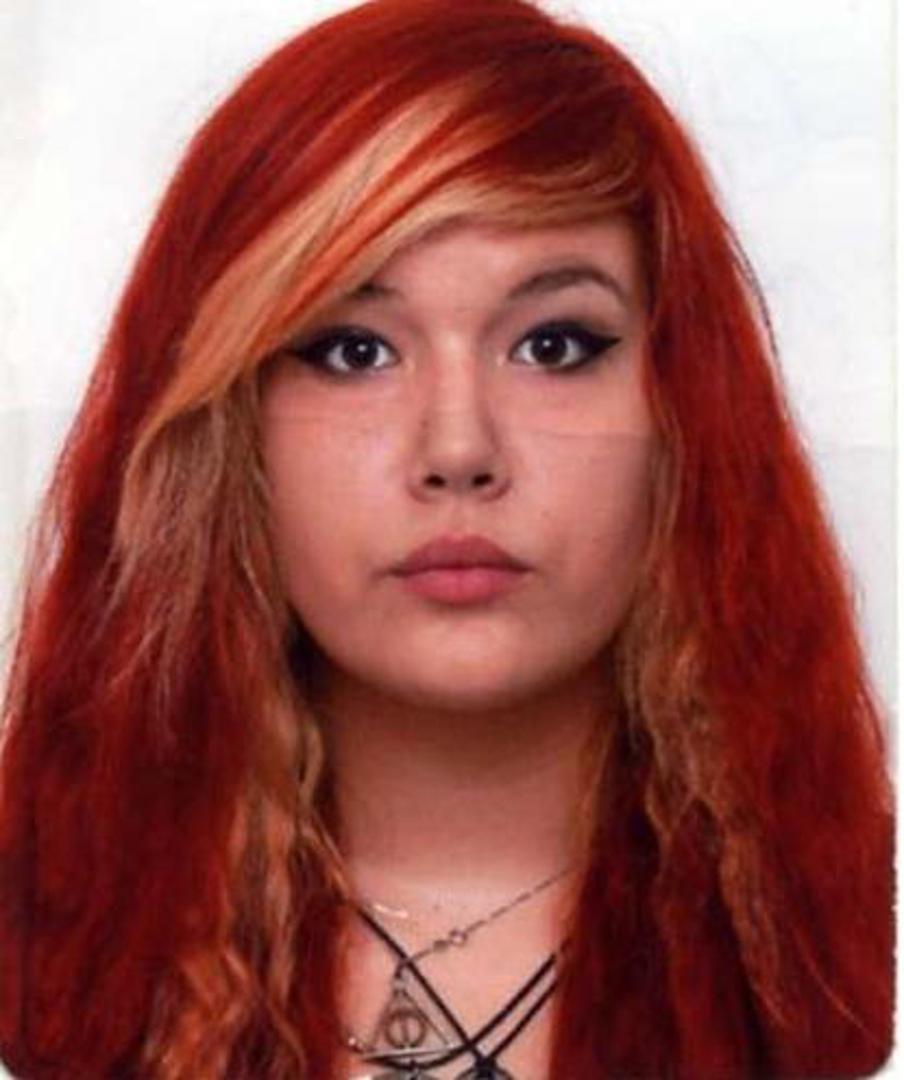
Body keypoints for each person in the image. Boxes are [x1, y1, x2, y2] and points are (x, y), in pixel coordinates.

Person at [0, 0, 892, 1077]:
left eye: (554, 344)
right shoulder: (38, 963)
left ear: (686, 412)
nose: (459, 448)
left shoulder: (853, 976)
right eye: (351, 350)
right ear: (225, 427)